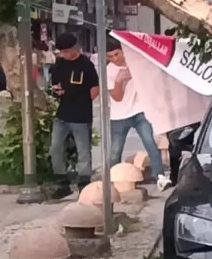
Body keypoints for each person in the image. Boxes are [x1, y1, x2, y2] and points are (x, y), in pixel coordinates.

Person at [105, 37, 166, 186]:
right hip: (118, 115)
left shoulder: (135, 63)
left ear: (123, 51)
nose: (114, 59)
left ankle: (160, 176)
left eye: (117, 54)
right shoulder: (109, 70)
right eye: (110, 56)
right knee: (115, 150)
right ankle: (113, 181)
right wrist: (120, 81)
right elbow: (117, 97)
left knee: (150, 143)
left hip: (139, 111)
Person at [49, 32, 99, 198]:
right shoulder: (60, 64)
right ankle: (62, 183)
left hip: (81, 115)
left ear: (74, 49)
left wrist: (82, 101)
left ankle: (84, 184)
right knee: (55, 148)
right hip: (62, 113)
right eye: (61, 52)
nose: (63, 55)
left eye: (65, 51)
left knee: (83, 151)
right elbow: (54, 83)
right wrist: (57, 91)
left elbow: (95, 89)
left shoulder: (86, 65)